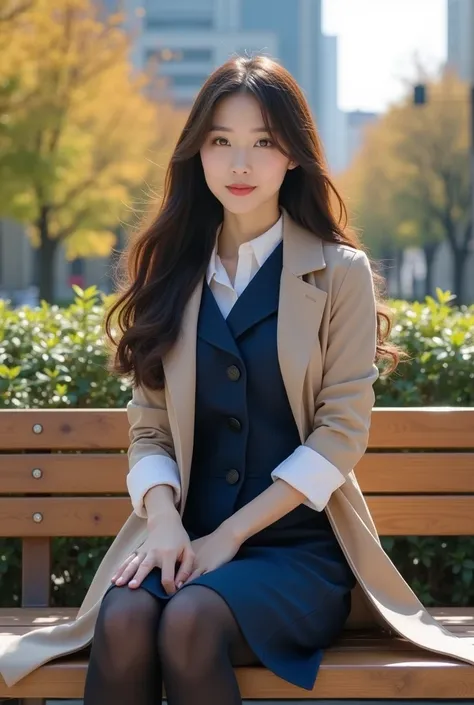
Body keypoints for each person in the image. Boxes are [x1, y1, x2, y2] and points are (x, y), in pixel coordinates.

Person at [82, 54, 397, 705]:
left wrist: (230, 535)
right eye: (221, 142)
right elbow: (148, 427)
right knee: (126, 618)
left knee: (191, 621)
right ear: (197, 154)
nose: (241, 164)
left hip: (297, 552)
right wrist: (165, 521)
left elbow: (341, 433)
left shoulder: (341, 273)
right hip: (182, 534)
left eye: (263, 143)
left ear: (294, 157)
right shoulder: (170, 271)